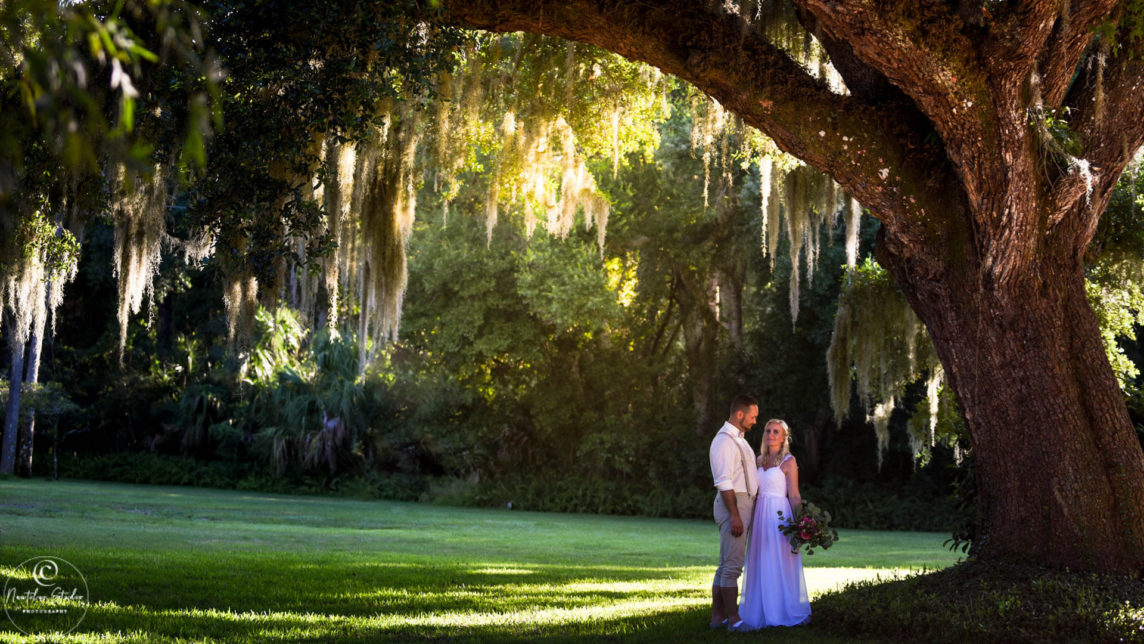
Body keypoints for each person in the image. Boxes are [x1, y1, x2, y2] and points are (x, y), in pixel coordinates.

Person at [738, 418, 812, 630]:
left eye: (776, 432)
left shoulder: (788, 461)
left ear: (783, 437)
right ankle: (759, 610)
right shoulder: (759, 460)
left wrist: (800, 525)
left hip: (779, 515)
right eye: (768, 430)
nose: (771, 434)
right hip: (760, 513)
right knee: (760, 559)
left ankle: (779, 611)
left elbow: (795, 495)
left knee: (777, 560)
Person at [708, 395, 760, 631]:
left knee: (725, 564)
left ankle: (717, 619)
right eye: (753, 417)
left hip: (741, 504)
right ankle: (735, 620)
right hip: (733, 505)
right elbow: (724, 482)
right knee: (732, 566)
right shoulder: (724, 441)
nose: (755, 421)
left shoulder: (738, 439)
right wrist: (736, 515)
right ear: (740, 415)